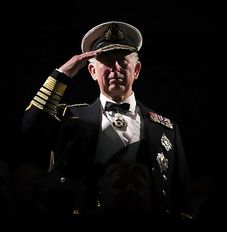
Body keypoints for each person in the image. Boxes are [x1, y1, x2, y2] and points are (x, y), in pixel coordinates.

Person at [21, 20, 193, 221]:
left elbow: (182, 200)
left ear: (136, 70)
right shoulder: (69, 118)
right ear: (93, 71)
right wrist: (62, 75)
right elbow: (30, 128)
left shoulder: (165, 128)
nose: (116, 69)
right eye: (108, 62)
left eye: (123, 61)